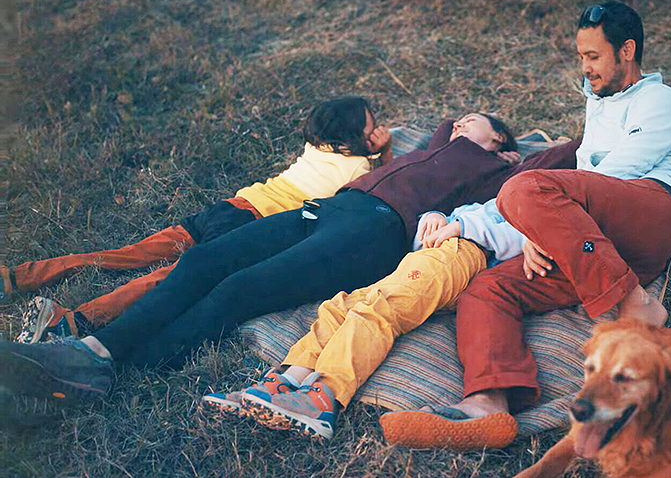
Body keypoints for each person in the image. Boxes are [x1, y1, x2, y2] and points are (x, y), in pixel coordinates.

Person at [0, 112, 580, 406]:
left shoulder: (504, 170)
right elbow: (434, 130)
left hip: (378, 235)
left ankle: (113, 370)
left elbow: (567, 152)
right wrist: (453, 130)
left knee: (242, 289)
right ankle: (89, 352)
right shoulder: (436, 145)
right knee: (204, 264)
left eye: (473, 119)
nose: (457, 121)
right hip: (332, 207)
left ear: (501, 142)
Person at [380, 1, 671, 450]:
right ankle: (488, 403)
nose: (584, 68)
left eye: (593, 57)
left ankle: (636, 304)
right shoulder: (599, 102)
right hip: (600, 246)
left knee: (522, 189)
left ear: (626, 50)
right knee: (486, 289)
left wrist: (538, 222)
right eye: (581, 57)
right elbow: (576, 186)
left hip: (650, 213)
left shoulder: (659, 101)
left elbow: (613, 177)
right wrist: (543, 225)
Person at [5, 97, 392, 344]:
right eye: (371, 127)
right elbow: (370, 191)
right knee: (167, 278)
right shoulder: (358, 164)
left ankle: (19, 276)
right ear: (354, 139)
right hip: (251, 224)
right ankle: (75, 321)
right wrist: (384, 150)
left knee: (130, 254)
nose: (376, 130)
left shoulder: (315, 146)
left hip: (230, 206)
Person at [202, 197, 527, 440]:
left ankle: (323, 397)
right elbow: (463, 211)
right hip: (430, 254)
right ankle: (283, 384)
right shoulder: (503, 196)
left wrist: (461, 227)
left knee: (380, 309)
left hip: (463, 254)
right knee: (339, 306)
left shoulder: (538, 203)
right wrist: (436, 217)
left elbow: (520, 234)